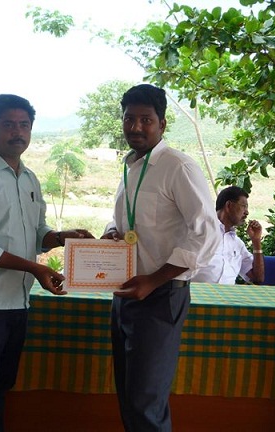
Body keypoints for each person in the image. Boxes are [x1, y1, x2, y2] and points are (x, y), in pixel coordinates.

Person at [0, 94, 94, 432]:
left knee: (1, 386)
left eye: (24, 125)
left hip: (17, 302)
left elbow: (36, 235)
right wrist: (35, 269)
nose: (18, 132)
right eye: (8, 125)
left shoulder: (29, 179)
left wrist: (62, 237)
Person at [102, 84, 220, 431]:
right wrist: (112, 232)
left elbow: (207, 234)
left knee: (146, 403)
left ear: (162, 124)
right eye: (129, 119)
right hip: (125, 292)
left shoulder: (178, 167)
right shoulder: (132, 166)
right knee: (129, 396)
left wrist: (153, 280)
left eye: (146, 120)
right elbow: (125, 218)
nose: (136, 127)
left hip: (160, 296)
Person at [192, 185, 264, 284]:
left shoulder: (237, 243)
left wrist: (256, 241)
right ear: (229, 205)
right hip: (198, 292)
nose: (247, 212)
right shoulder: (201, 231)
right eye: (243, 206)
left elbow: (257, 278)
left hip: (227, 293)